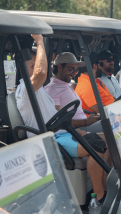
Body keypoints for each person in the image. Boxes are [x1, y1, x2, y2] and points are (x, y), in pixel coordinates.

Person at [16, 35, 107, 202]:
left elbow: (55, 117)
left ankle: (102, 189)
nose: (37, 68)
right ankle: (99, 198)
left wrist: (73, 129)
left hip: (61, 134)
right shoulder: (24, 90)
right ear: (23, 67)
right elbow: (42, 72)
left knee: (109, 140)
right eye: (32, 65)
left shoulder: (40, 91)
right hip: (49, 140)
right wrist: (40, 42)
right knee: (97, 146)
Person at [45, 52, 103, 134]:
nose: (73, 74)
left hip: (84, 125)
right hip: (77, 130)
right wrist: (86, 122)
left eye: (76, 71)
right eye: (71, 69)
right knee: (115, 124)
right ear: (59, 67)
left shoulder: (65, 85)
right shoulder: (52, 89)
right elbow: (55, 122)